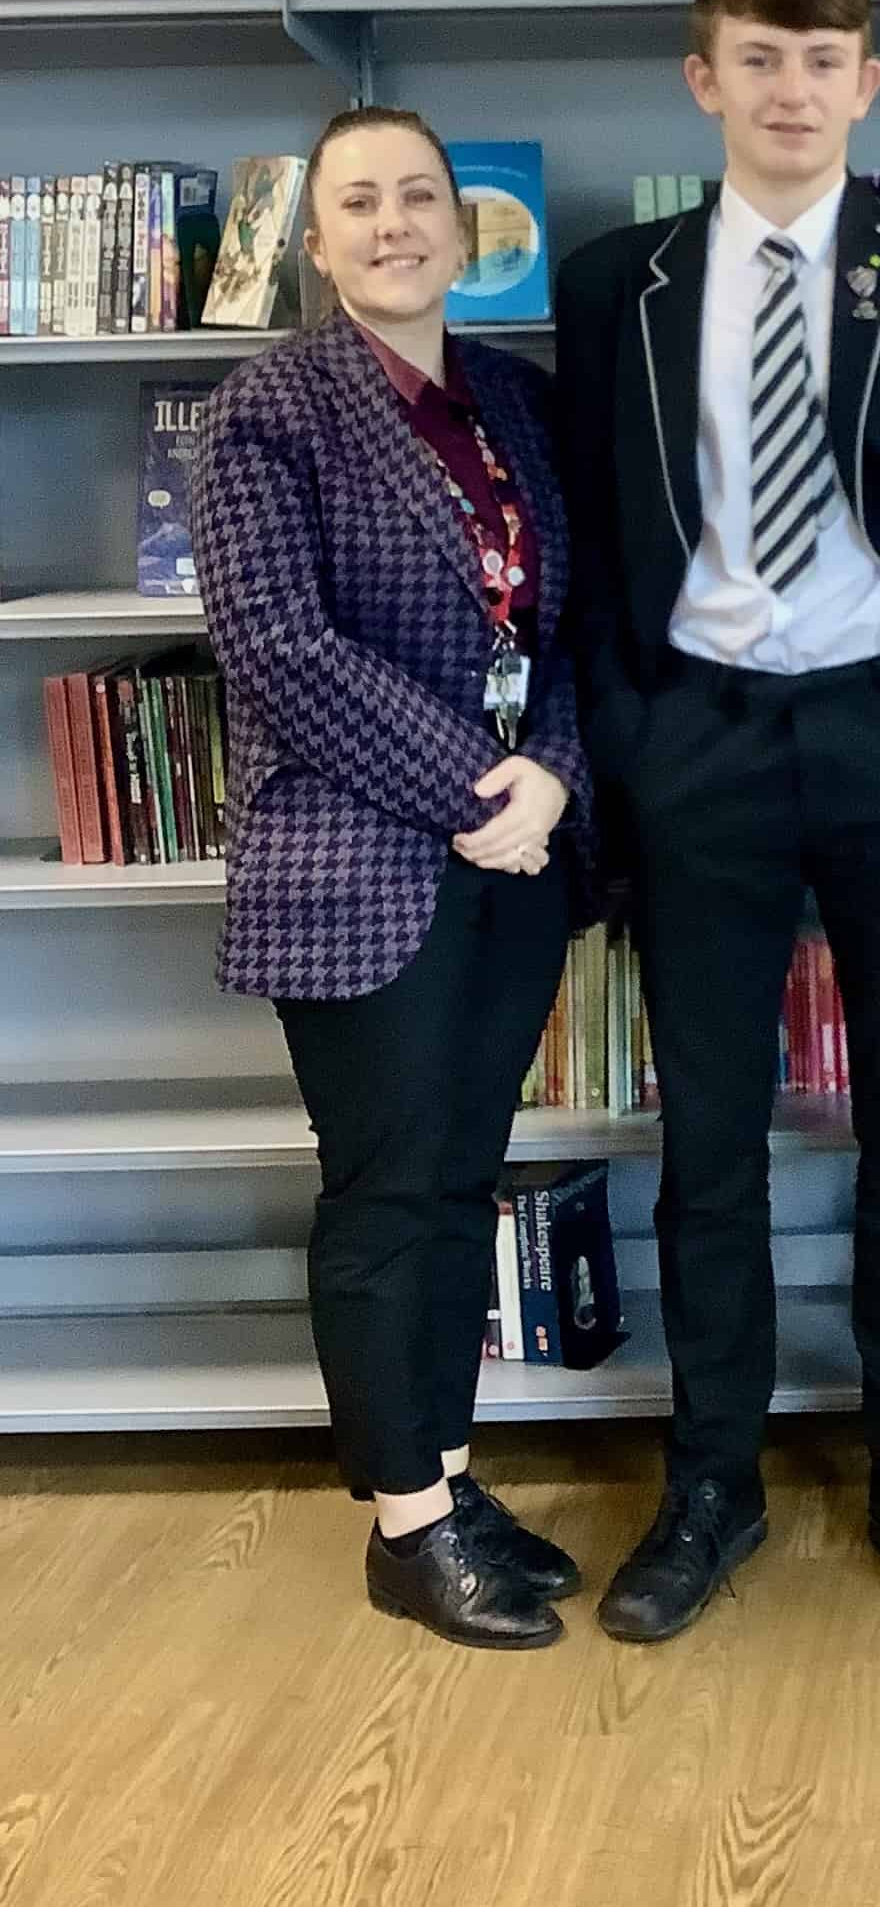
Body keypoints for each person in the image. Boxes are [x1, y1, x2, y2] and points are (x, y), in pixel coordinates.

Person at [553, 0, 880, 1640]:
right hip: (698, 739)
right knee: (709, 1138)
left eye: (819, 63)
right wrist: (628, 727)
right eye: (756, 61)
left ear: (867, 85)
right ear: (703, 81)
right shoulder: (612, 278)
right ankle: (712, 1484)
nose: (788, 91)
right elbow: (603, 530)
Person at [193, 106, 594, 1649]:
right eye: (356, 203)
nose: (392, 224)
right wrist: (476, 788)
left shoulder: (516, 402)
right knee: (384, 1193)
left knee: (457, 1184)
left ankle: (451, 1470)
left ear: (462, 225)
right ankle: (405, 1526)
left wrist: (551, 769)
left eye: (418, 196)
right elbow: (281, 650)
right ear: (316, 241)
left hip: (512, 861)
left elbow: (565, 630)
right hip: (359, 865)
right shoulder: (266, 410)